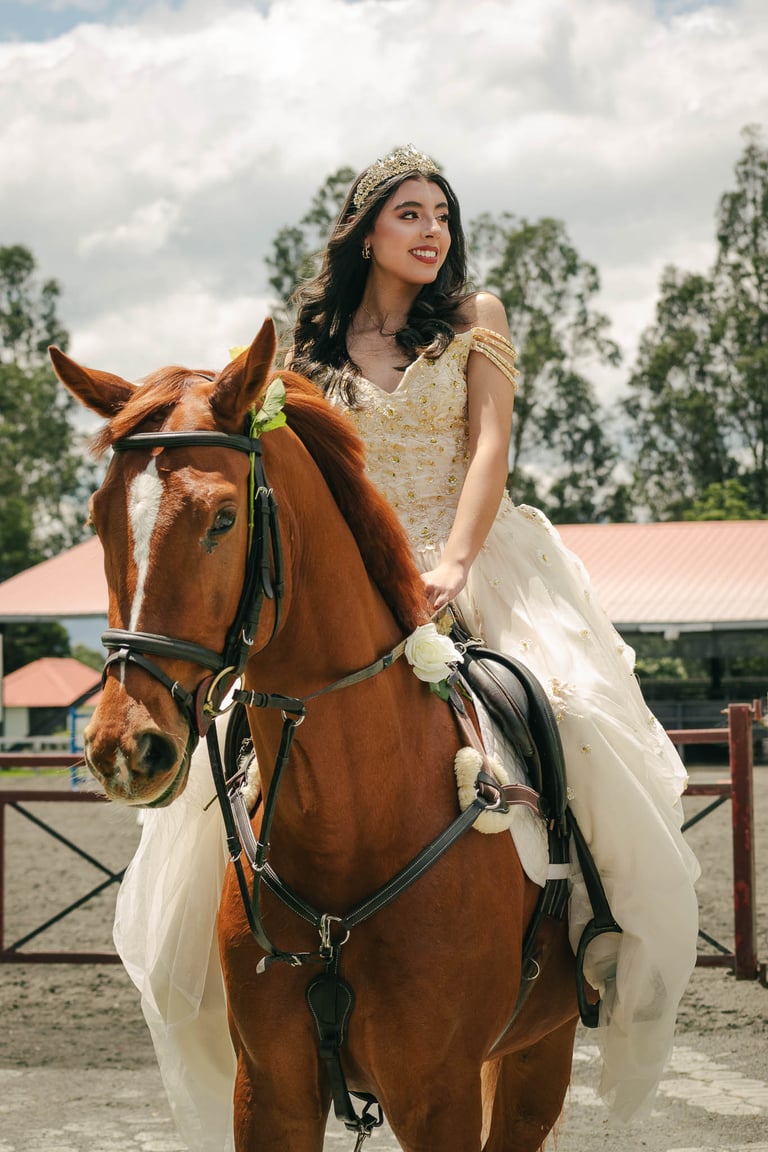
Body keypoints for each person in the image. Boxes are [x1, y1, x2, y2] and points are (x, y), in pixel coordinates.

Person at [114, 146, 700, 1147]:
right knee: (231, 744)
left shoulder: (477, 318)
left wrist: (457, 564)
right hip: (349, 587)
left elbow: (488, 444)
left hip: (469, 561)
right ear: (366, 231)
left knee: (569, 709)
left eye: (441, 214)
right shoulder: (305, 353)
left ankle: (600, 931)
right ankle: (213, 965)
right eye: (409, 214)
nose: (432, 231)